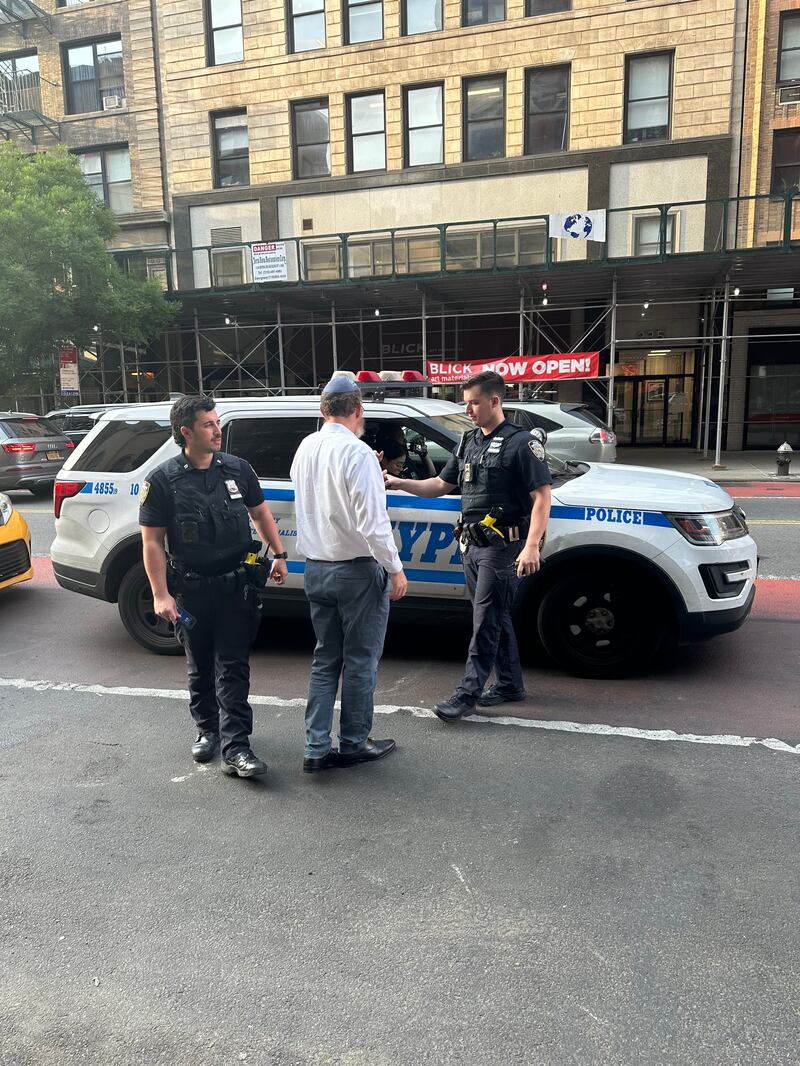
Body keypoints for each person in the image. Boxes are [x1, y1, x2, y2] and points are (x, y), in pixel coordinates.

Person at [384, 370, 551, 722]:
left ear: (495, 400)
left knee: (485, 620)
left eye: (474, 403)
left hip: (503, 548)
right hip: (472, 546)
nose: (469, 410)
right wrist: (397, 482)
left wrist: (532, 545)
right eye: (466, 403)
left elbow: (542, 497)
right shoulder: (469, 441)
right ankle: (509, 684)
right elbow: (439, 486)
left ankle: (467, 694)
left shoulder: (521, 444)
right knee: (496, 616)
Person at [139, 395, 288, 779]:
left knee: (234, 667)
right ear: (186, 432)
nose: (218, 430)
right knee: (199, 667)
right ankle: (208, 729)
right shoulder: (162, 480)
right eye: (208, 424)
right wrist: (160, 594)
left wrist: (280, 554)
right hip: (191, 592)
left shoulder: (238, 470)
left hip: (237, 587)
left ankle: (238, 746)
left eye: (217, 422)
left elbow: (260, 513)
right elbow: (152, 541)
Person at [291, 376, 408, 773]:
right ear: (358, 410)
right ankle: (355, 742)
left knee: (326, 659)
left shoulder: (306, 447)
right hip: (356, 572)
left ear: (323, 410)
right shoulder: (357, 454)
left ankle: (315, 747)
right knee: (360, 661)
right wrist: (395, 568)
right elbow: (373, 524)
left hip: (316, 568)